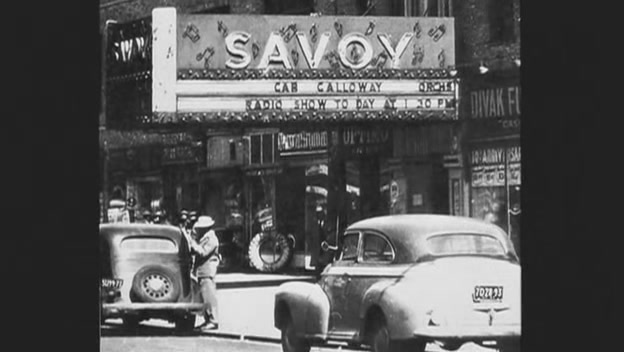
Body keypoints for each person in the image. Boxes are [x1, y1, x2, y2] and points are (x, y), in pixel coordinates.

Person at [185, 215, 220, 331]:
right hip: (202, 271)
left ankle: (213, 320)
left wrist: (193, 243)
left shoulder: (211, 239)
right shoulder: (205, 237)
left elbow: (203, 252)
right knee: (204, 296)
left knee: (209, 296)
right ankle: (207, 320)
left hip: (207, 270)